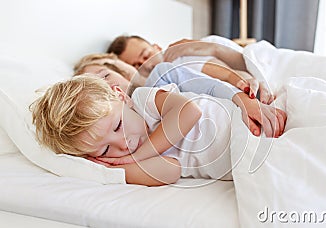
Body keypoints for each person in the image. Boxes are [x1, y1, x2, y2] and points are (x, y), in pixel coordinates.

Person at [31, 75, 286, 186]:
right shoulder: (130, 159)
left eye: (118, 126)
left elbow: (189, 112)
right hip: (246, 161)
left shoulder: (144, 100)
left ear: (121, 96)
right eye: (106, 149)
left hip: (246, 125)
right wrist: (119, 166)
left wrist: (137, 156)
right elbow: (171, 171)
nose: (124, 144)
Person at [74, 53, 273, 137]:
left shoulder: (162, 75)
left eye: (105, 76)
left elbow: (217, 83)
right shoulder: (121, 130)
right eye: (95, 87)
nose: (106, 86)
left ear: (121, 71)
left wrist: (245, 96)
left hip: (243, 112)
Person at [107, 35, 274, 104]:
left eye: (146, 55)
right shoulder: (150, 88)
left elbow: (228, 73)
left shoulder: (180, 58)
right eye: (137, 65)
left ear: (157, 47)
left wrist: (248, 82)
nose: (147, 64)